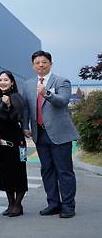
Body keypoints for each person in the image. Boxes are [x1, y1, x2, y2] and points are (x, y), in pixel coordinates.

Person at [19, 50, 78, 218]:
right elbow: (25, 109)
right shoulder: (28, 84)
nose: (40, 65)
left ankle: (68, 205)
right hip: (39, 133)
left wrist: (46, 93)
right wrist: (25, 126)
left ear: (50, 64)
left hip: (59, 134)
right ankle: (53, 204)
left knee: (64, 170)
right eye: (37, 62)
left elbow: (63, 101)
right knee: (47, 170)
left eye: (44, 62)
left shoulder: (61, 81)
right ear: (33, 66)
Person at [0, 70, 28, 217]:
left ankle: (18, 204)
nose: (2, 82)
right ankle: (10, 203)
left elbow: (15, 118)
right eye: (0, 80)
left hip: (16, 140)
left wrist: (8, 106)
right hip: (0, 141)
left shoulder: (16, 97)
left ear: (12, 82)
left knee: (18, 172)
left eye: (6, 80)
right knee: (4, 173)